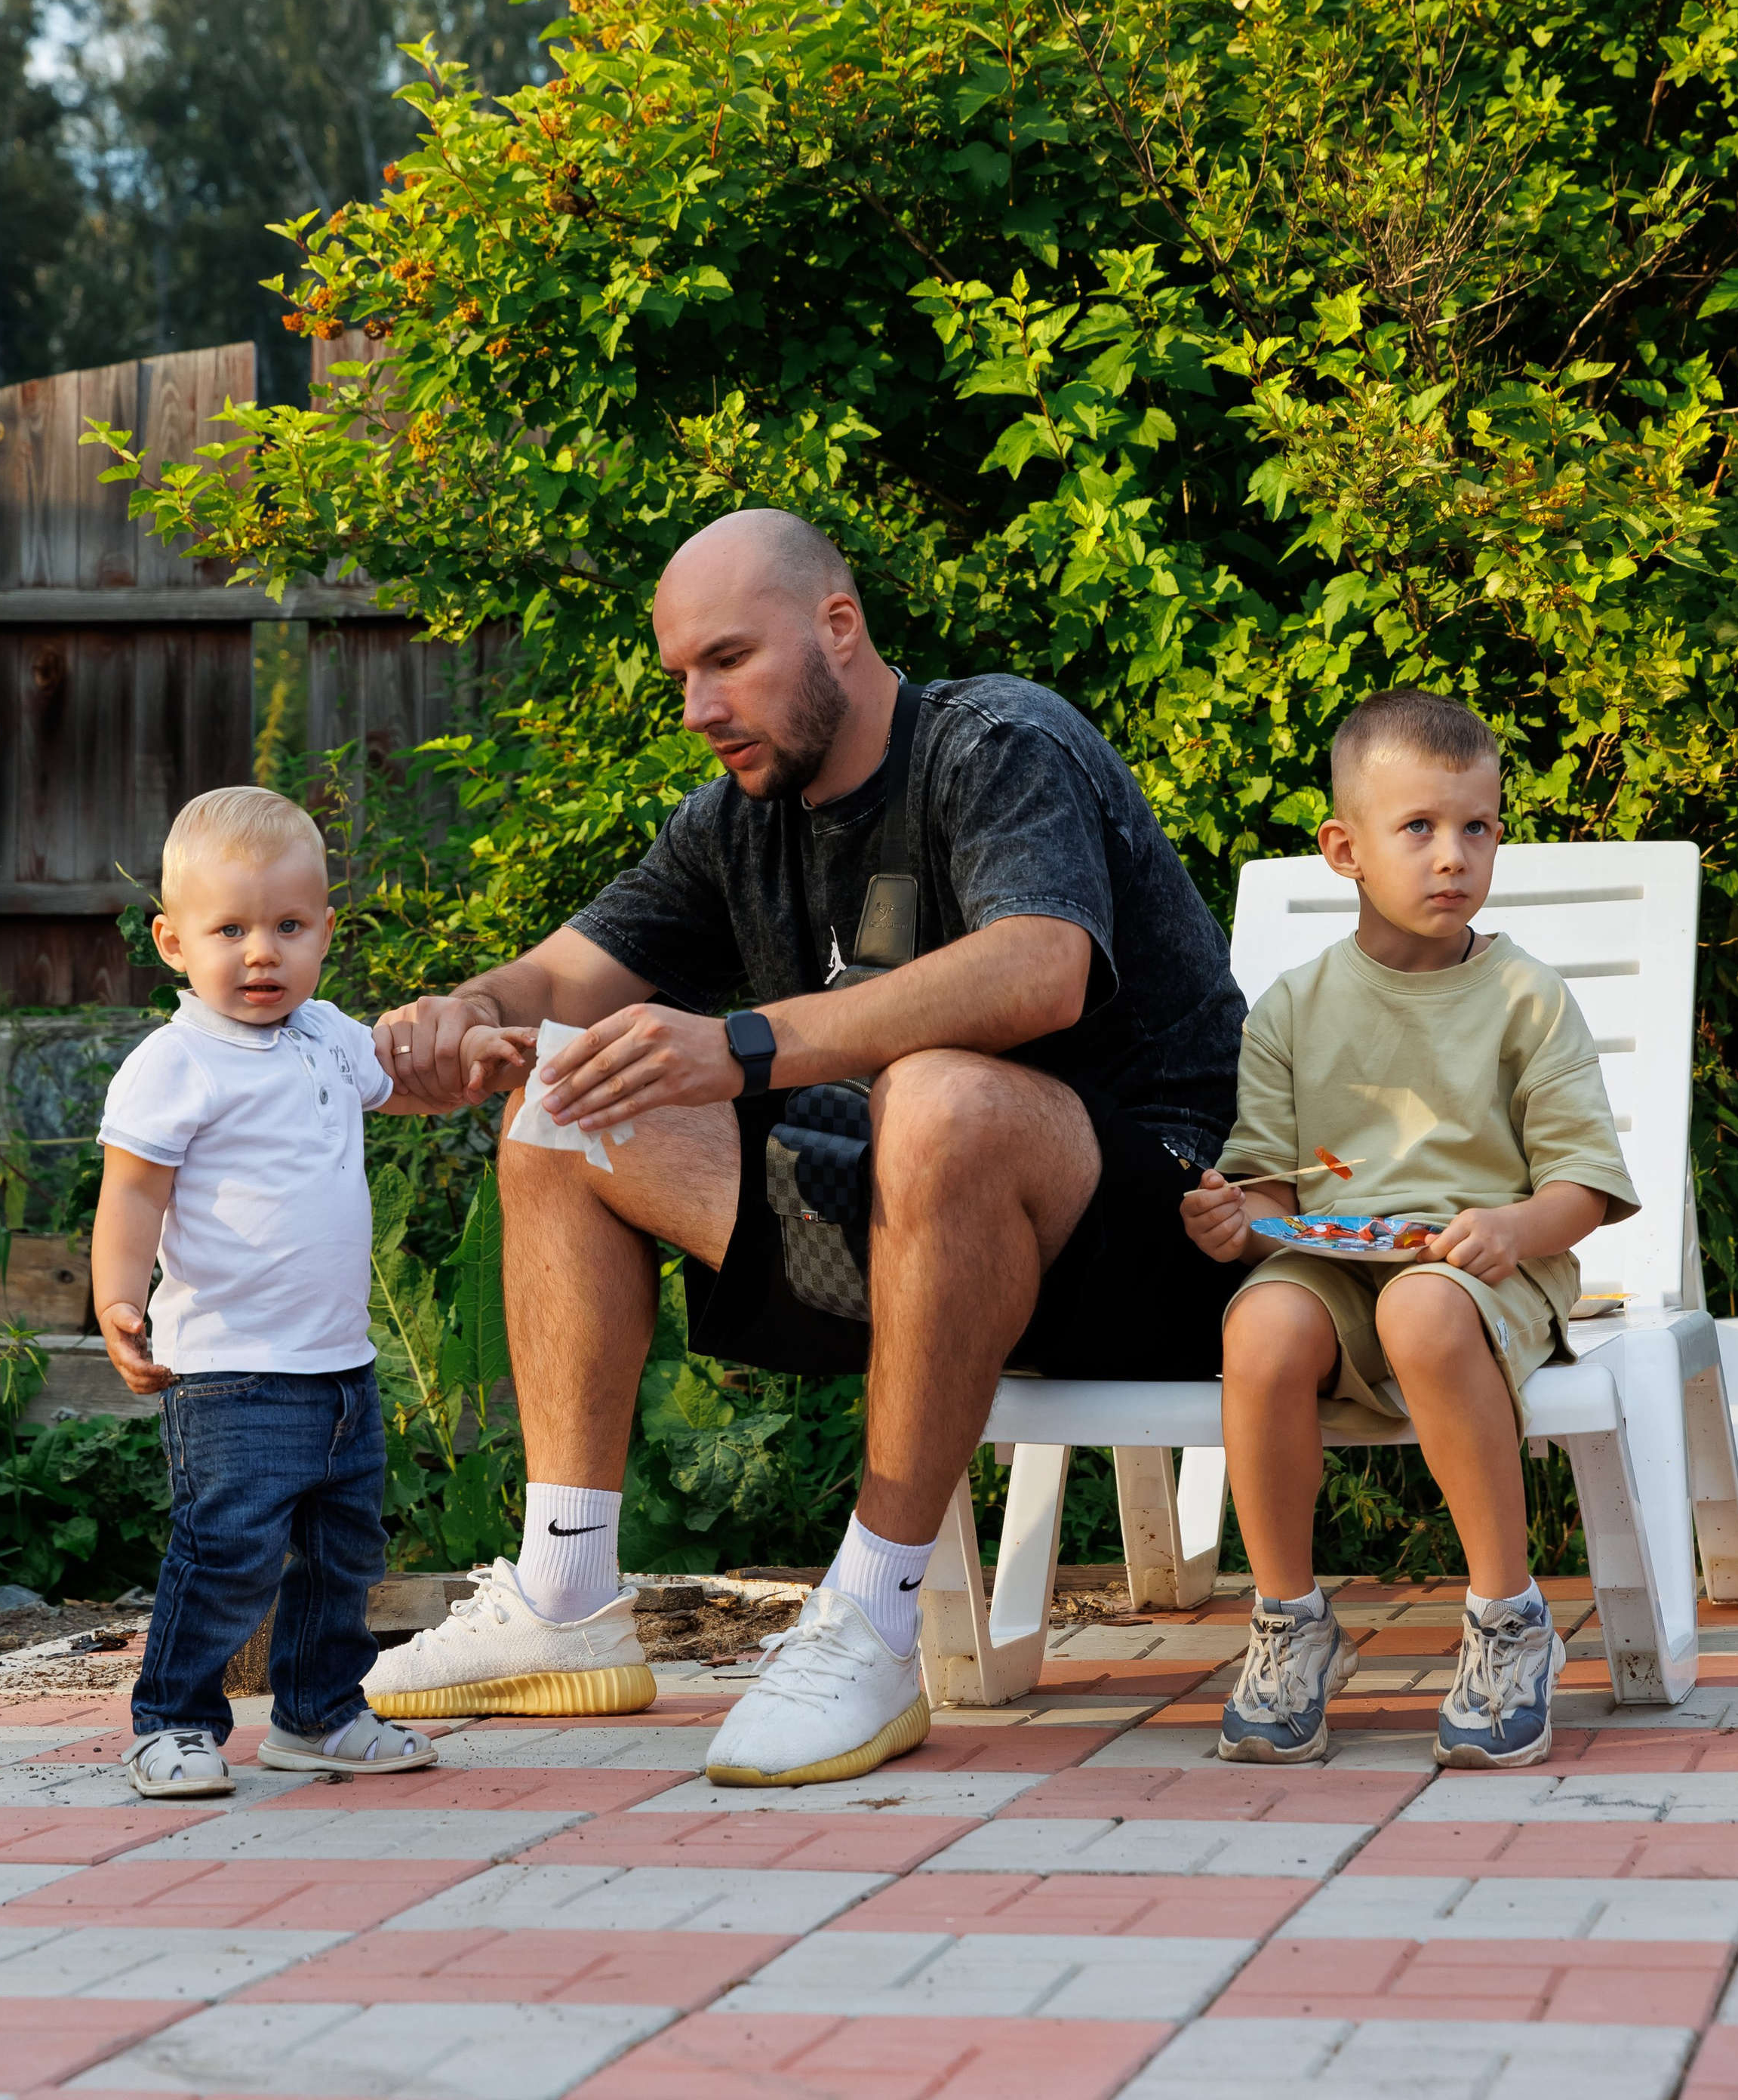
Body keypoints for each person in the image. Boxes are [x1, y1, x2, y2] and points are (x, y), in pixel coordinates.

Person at [366, 507, 1245, 1787]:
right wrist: (470, 1018)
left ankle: (871, 1622)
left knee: (941, 1096)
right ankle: (566, 1596)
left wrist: (748, 1043)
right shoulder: (738, 820)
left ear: (839, 626)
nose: (697, 705)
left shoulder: (993, 739)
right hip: (915, 1242)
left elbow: (1042, 965)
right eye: (680, 675)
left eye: (728, 660)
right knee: (567, 1098)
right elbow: (560, 978)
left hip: (1157, 1240)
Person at [1181, 688, 1639, 1772]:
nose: (1454, 857)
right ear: (1345, 848)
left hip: (1486, 1269)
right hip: (1334, 1264)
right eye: (1420, 828)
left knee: (1426, 1309)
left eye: (1477, 827)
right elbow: (1268, 1197)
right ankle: (1291, 1621)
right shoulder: (1293, 1007)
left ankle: (1508, 1617)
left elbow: (1584, 1184)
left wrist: (1514, 1229)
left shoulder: (1527, 997)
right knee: (1260, 1333)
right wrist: (1230, 1220)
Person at [93, 785, 453, 1800]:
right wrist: (119, 1299)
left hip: (342, 1369)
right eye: (231, 929)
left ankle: (319, 1713)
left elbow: (405, 1084)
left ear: (325, 934)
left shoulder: (331, 1034)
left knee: (345, 1560)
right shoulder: (174, 1067)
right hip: (229, 1373)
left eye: (289, 928)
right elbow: (131, 1194)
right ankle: (171, 1723)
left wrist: (476, 1061)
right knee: (227, 1556)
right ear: (171, 941)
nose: (262, 953)